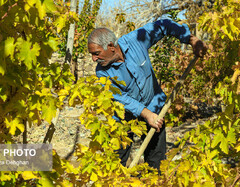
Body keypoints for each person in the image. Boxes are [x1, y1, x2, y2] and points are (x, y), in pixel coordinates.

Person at [87, 19, 207, 170]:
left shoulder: (136, 40)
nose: (94, 59)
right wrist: (146, 114)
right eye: (92, 54)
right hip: (122, 117)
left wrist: (192, 40)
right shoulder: (102, 72)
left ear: (111, 46)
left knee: (156, 160)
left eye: (96, 54)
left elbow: (163, 25)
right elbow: (121, 99)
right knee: (115, 163)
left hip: (153, 106)